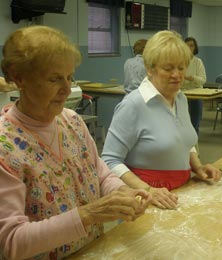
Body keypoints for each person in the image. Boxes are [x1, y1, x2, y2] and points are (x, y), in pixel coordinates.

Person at [0, 26, 151, 260]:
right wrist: (88, 214)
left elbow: (101, 176)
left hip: (94, 250)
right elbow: (11, 242)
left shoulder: (72, 121)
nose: (67, 89)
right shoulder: (5, 146)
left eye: (70, 77)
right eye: (54, 79)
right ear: (19, 77)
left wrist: (122, 194)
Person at [101, 31, 222, 209]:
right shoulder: (134, 104)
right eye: (168, 68)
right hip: (145, 200)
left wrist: (198, 167)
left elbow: (184, 141)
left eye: (181, 68)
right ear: (150, 69)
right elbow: (110, 160)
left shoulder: (180, 98)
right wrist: (147, 189)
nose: (177, 75)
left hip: (181, 191)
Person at [182, 37, 206, 134]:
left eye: (191, 45)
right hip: (182, 93)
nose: (189, 48)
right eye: (187, 45)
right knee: (182, 123)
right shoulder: (179, 61)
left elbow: (202, 80)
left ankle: (194, 145)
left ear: (195, 48)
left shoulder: (198, 62)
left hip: (196, 94)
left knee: (194, 123)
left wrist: (192, 78)